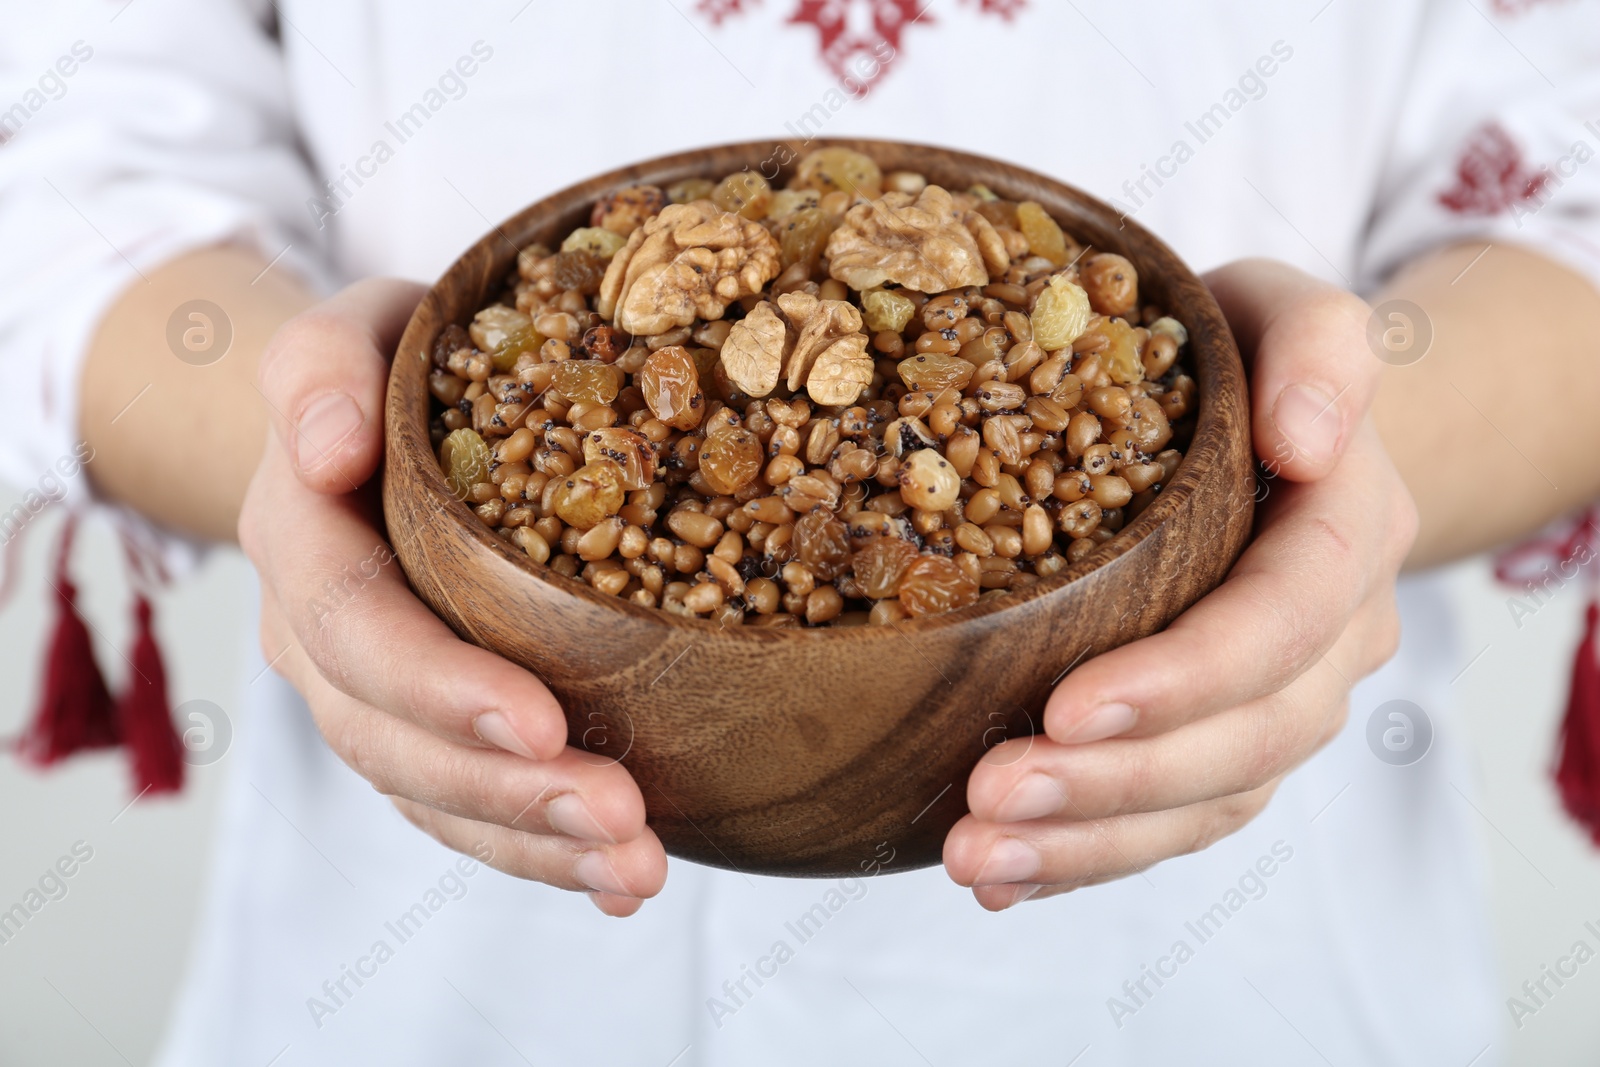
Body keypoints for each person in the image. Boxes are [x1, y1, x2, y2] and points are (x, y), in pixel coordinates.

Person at [4, 1, 1598, 1062]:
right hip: (429, 959)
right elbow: (70, 167)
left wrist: (1324, 446)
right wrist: (318, 456)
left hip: (1244, 964)